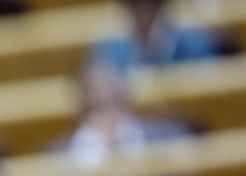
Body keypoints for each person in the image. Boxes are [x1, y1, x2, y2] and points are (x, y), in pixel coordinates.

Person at [53, 63, 195, 170]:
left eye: (114, 102)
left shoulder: (169, 136)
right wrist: (97, 143)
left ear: (129, 100)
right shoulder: (57, 156)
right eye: (98, 107)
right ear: (79, 113)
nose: (109, 119)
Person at [89, 0, 219, 74]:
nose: (142, 12)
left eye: (148, 4)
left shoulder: (192, 39)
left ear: (161, 4)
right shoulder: (111, 41)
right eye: (134, 4)